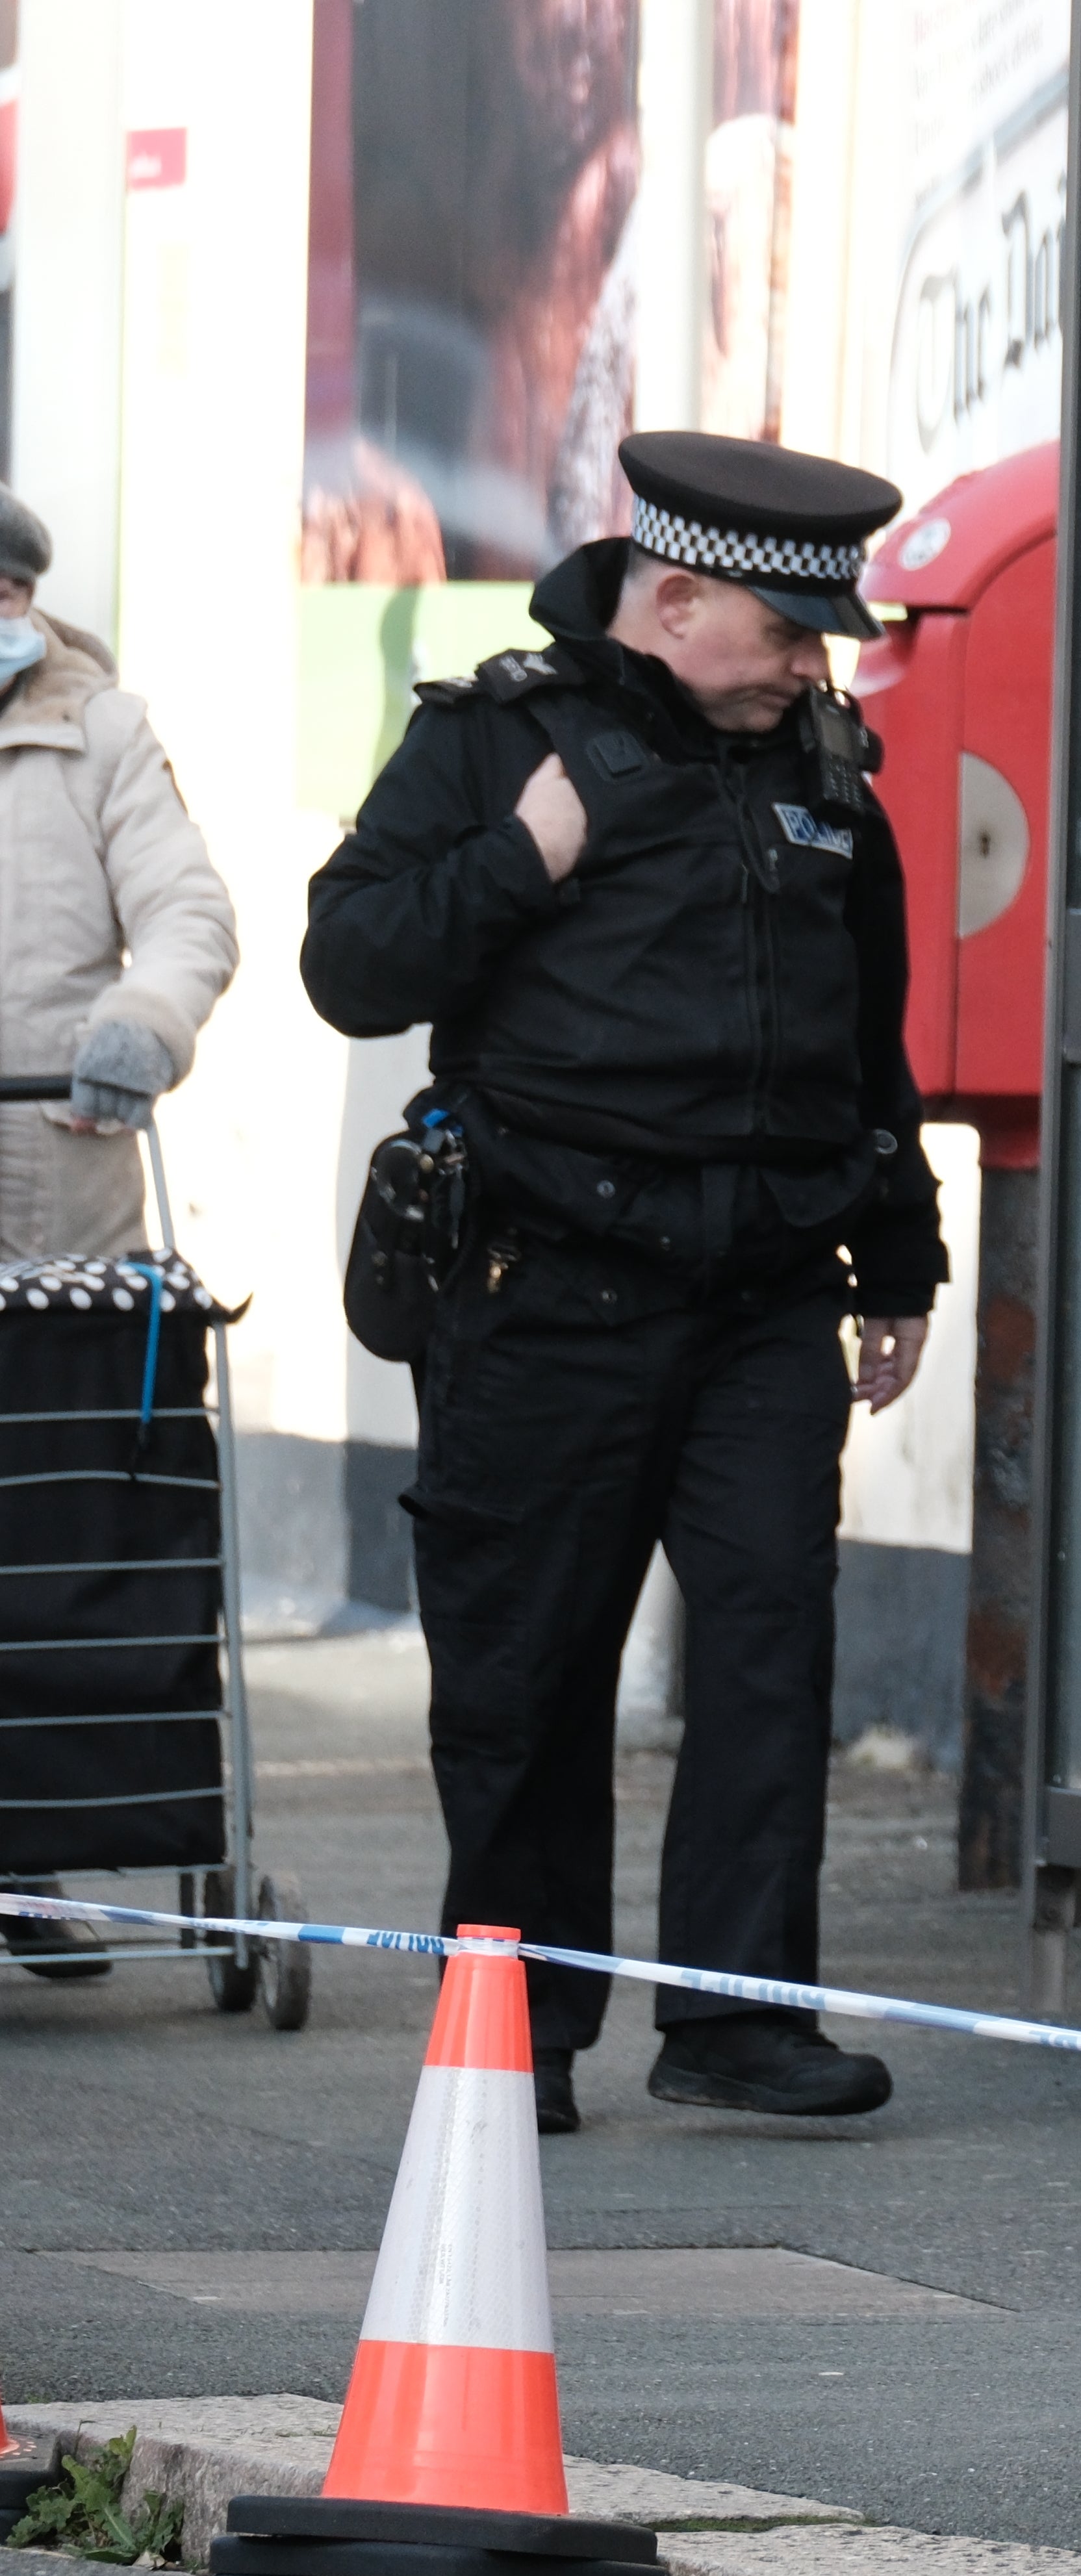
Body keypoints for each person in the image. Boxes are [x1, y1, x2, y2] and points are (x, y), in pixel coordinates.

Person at [303, 433, 943, 2136]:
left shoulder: (820, 767)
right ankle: (515, 2034)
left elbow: (863, 1044)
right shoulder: (499, 741)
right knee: (529, 1673)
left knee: (766, 1648)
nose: (819, 659)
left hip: (762, 1302)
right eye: (789, 626)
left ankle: (738, 2017)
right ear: (672, 602)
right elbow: (349, 964)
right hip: (547, 1287)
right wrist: (523, 858)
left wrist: (904, 1253)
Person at [0, 478, 241, 1982]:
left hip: (56, 1218)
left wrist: (142, 1026)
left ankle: (27, 1858)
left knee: (42, 1540)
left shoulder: (99, 734)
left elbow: (189, 916)